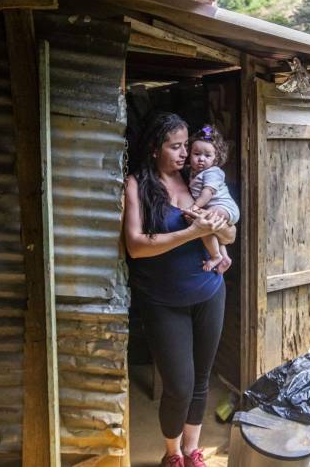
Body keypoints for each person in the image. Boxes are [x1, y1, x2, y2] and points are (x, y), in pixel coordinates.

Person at [124, 112, 236, 467]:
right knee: (179, 386)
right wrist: (190, 233)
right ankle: (172, 454)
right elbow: (136, 246)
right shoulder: (137, 185)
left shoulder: (198, 182)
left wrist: (221, 227)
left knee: (201, 378)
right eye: (175, 146)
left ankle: (192, 450)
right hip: (163, 301)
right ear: (156, 148)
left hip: (209, 292)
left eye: (186, 146)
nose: (185, 153)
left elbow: (228, 233)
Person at [186, 125, 240, 272]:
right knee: (209, 228)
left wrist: (195, 207)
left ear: (216, 158)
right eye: (196, 154)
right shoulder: (193, 172)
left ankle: (215, 256)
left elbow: (207, 192)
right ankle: (224, 257)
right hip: (216, 209)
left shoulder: (213, 172)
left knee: (203, 220)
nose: (201, 159)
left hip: (225, 208)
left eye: (207, 156)